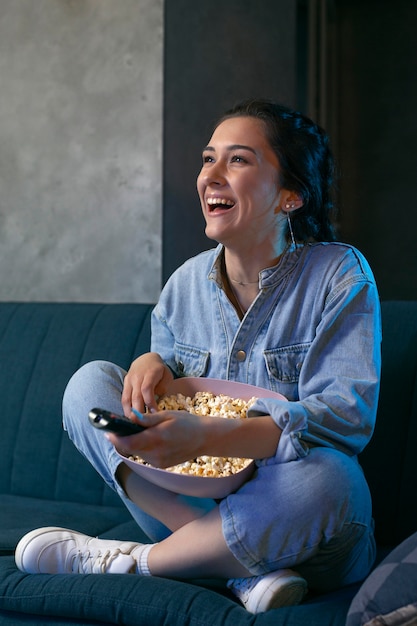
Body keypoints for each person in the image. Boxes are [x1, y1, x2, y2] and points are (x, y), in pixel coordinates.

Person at [15, 99, 381, 614]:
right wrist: (153, 366)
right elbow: (170, 381)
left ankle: (135, 562)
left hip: (296, 517)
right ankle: (233, 567)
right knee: (89, 383)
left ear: (291, 195)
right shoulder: (185, 282)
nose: (211, 173)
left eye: (238, 159)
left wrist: (210, 435)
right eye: (208, 158)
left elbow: (343, 420)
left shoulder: (339, 275)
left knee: (333, 477)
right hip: (185, 502)